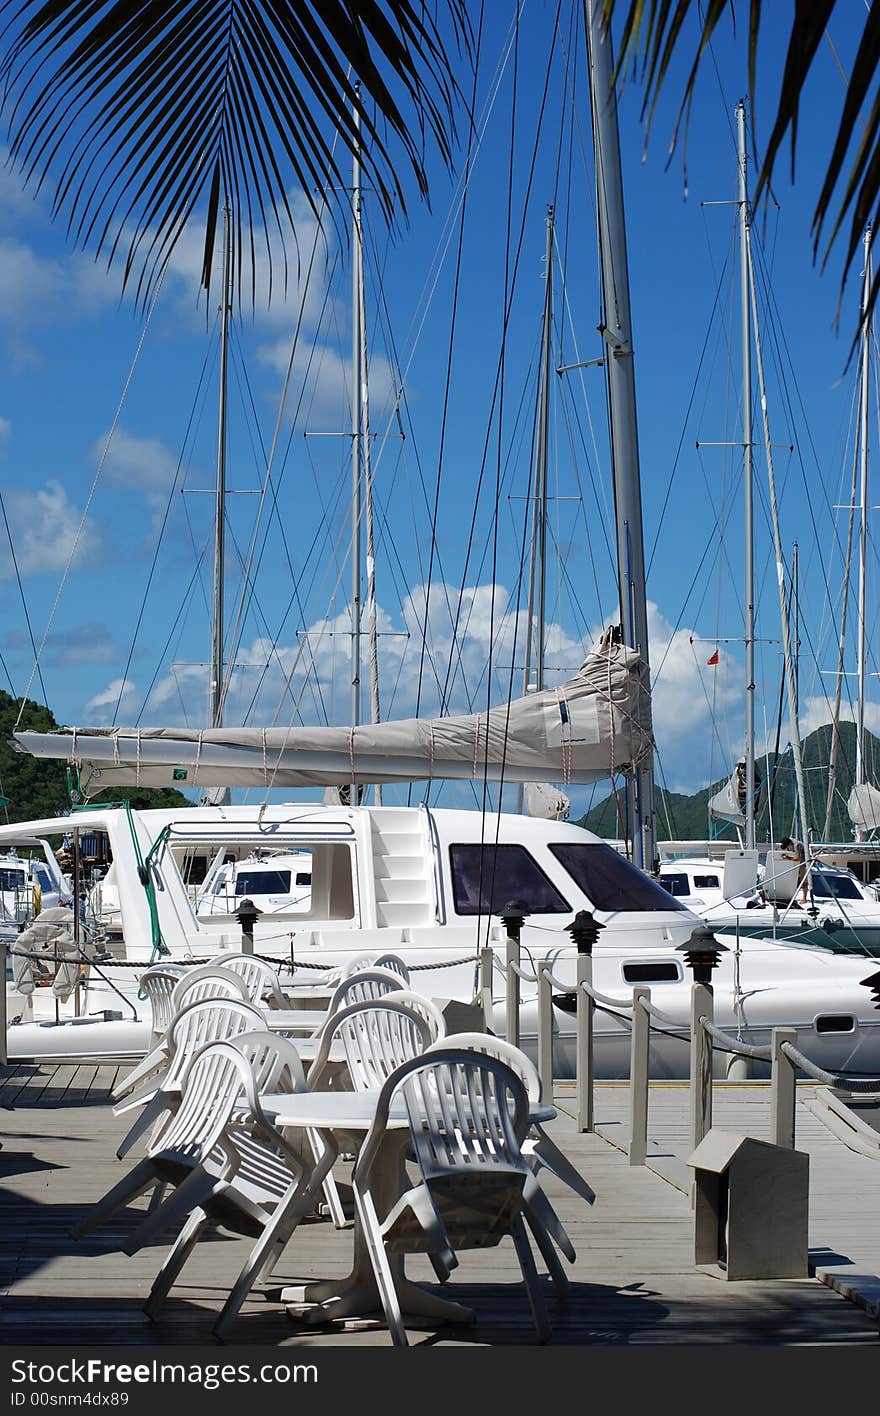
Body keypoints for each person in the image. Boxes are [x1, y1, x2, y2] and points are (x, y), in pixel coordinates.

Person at [779, 835, 809, 906]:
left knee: (804, 881)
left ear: (790, 844)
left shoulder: (798, 845)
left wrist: (788, 858)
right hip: (796, 863)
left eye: (787, 847)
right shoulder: (790, 844)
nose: (788, 848)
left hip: (804, 863)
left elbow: (799, 858)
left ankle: (804, 898)